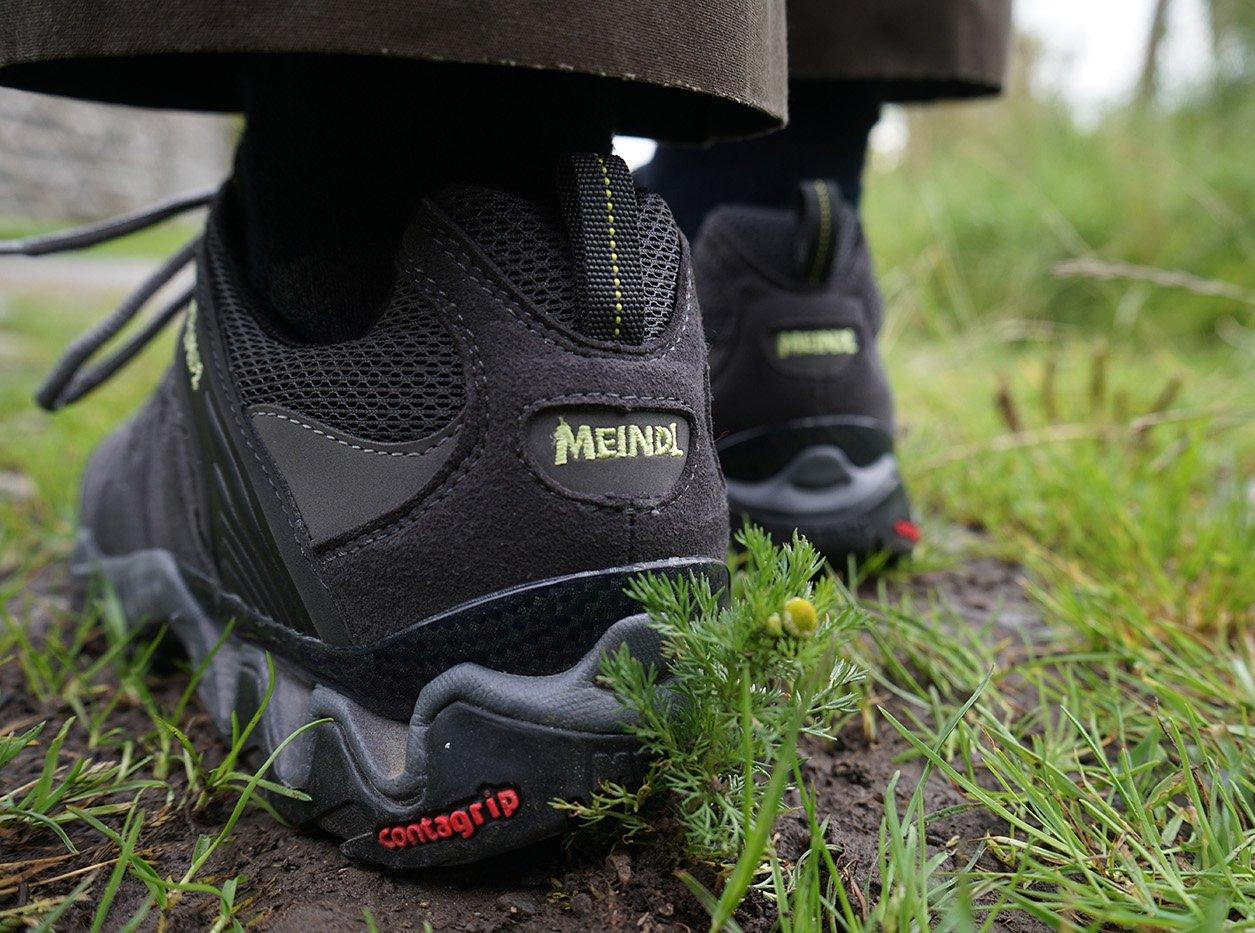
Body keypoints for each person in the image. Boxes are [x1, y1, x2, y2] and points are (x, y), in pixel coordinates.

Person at [0, 0, 1010, 867]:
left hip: (407, 544)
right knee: (741, 156)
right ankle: (688, 248)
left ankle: (331, 294)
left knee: (376, 184)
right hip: (655, 508)